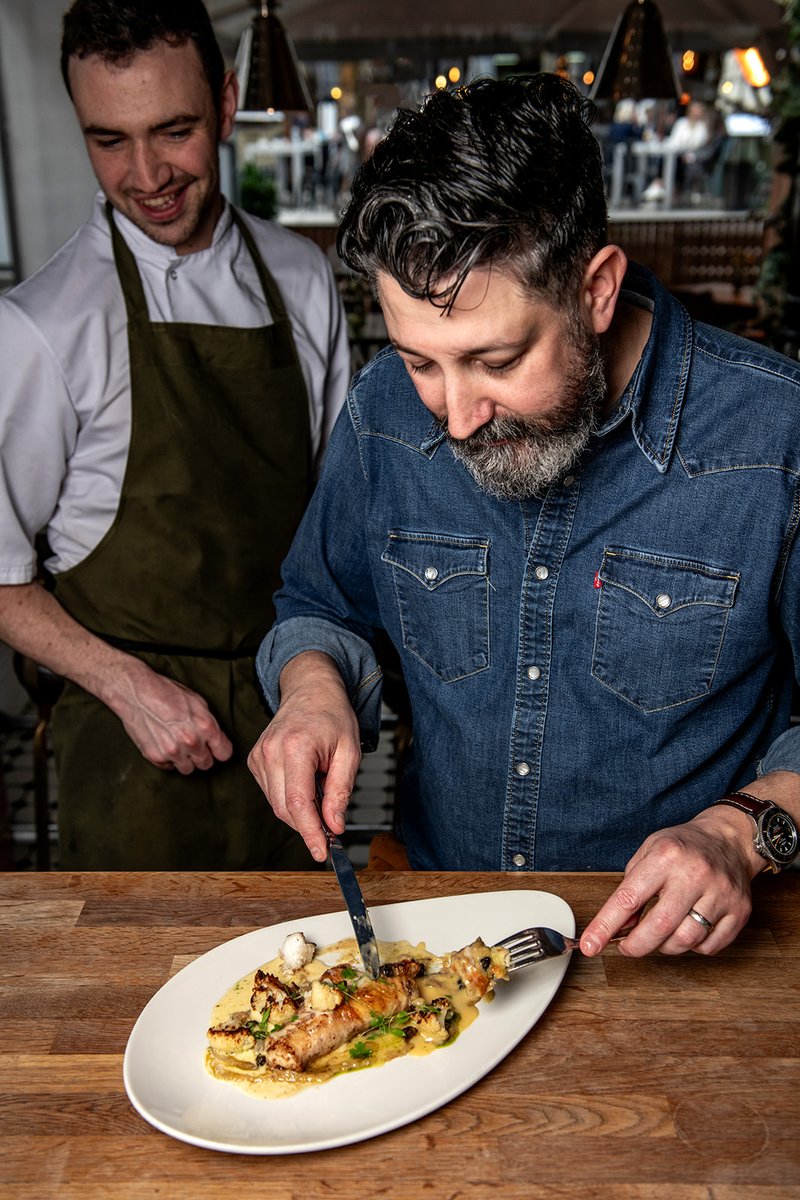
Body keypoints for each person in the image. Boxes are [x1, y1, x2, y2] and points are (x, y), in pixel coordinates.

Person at [247, 73, 800, 957]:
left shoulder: (776, 435)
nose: (454, 416)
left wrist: (740, 833)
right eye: (421, 363)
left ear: (597, 291)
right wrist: (312, 689)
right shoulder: (386, 411)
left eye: (495, 359)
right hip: (442, 939)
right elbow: (320, 600)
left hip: (675, 955)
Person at [0, 0, 350, 870]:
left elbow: (342, 512)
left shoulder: (303, 279)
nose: (147, 171)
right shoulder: (41, 326)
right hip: (133, 744)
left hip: (290, 722)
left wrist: (327, 685)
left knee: (322, 988)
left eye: (175, 130)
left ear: (227, 105)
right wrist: (127, 687)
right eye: (108, 139)